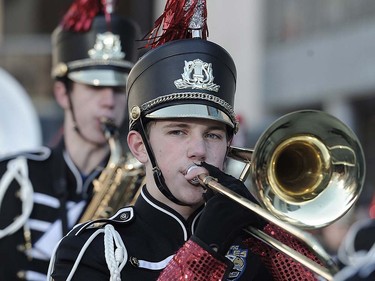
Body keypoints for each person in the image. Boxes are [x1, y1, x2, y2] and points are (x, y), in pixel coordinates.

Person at [48, 0, 329, 280]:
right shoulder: (94, 250)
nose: (199, 150)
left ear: (228, 145)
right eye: (178, 131)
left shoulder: (256, 247)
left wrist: (264, 228)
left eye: (213, 135)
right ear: (139, 146)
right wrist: (207, 246)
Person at [0, 0, 140, 280]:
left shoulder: (140, 189)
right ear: (63, 93)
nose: (108, 102)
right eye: (94, 86)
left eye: (118, 88)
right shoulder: (13, 176)